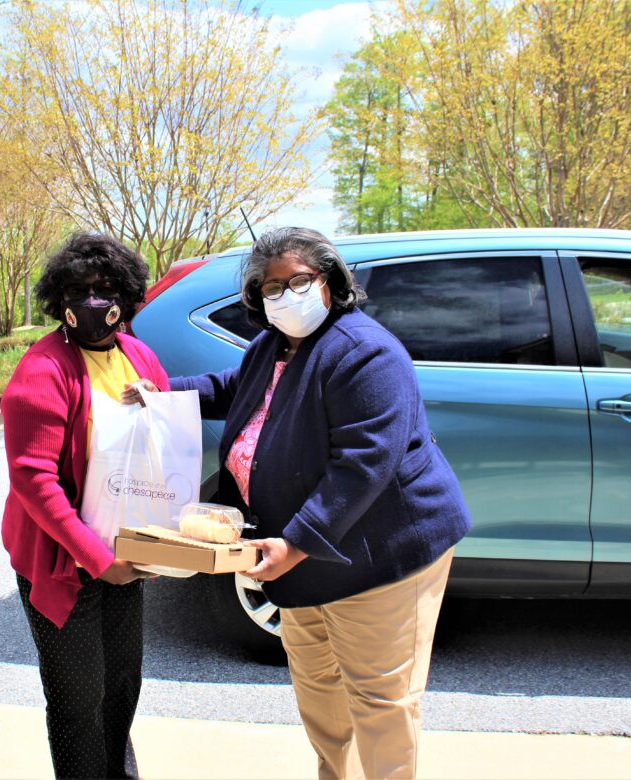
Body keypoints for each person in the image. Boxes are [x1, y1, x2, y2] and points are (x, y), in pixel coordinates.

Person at [124, 227, 471, 780]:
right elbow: (232, 388)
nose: (284, 294)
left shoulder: (365, 353)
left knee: (379, 702)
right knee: (322, 700)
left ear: (330, 282)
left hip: (378, 555)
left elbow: (363, 467)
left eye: (298, 281)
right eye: (270, 287)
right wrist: (160, 391)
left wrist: (297, 541)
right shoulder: (273, 348)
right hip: (306, 561)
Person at [0, 232, 169, 780]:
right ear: (59, 299)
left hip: (125, 554)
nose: (93, 301)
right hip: (65, 561)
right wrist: (98, 560)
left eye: (106, 288)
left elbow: (166, 446)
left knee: (122, 687)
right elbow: (33, 479)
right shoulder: (42, 370)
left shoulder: (139, 356)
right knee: (78, 702)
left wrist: (155, 409)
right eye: (78, 289)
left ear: (127, 294)